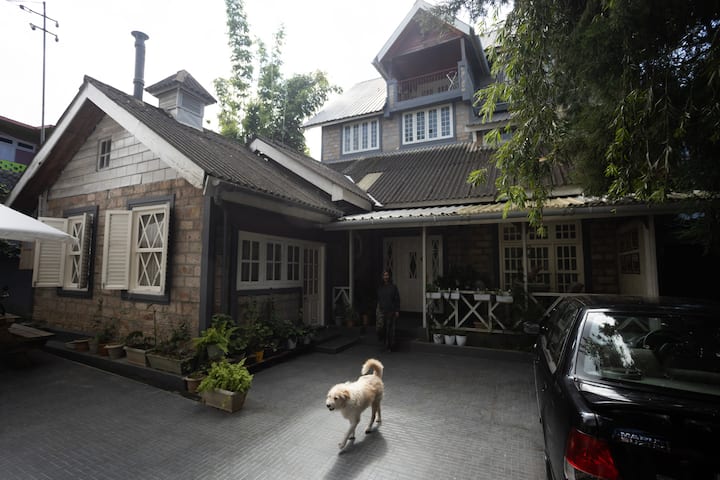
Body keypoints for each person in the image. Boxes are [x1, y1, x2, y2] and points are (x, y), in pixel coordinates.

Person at [376, 270, 400, 351]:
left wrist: (397, 310)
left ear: (389, 276)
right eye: (384, 275)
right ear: (382, 277)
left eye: (387, 275)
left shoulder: (393, 287)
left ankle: (390, 346)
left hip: (391, 310)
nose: (386, 277)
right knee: (381, 328)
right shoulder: (380, 288)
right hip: (382, 311)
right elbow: (378, 299)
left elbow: (397, 299)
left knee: (390, 329)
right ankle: (384, 342)